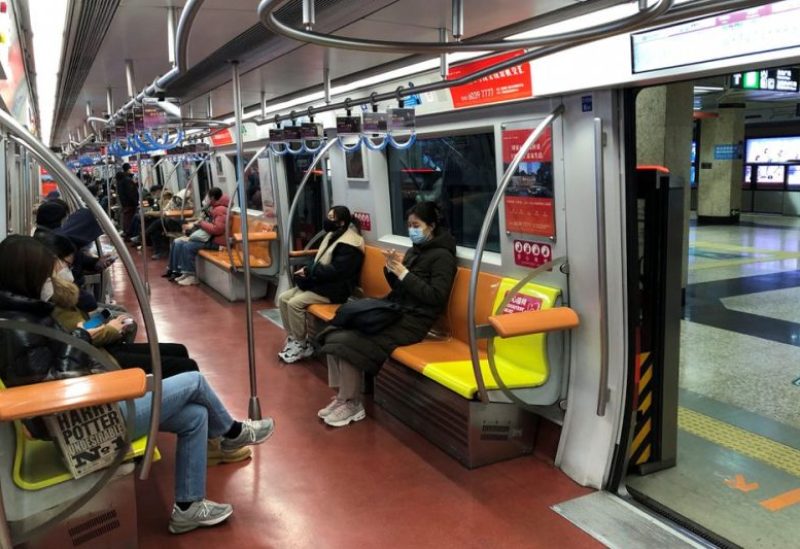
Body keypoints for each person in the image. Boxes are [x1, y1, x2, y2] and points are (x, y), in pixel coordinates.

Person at [0, 235, 275, 534]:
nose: (52, 281)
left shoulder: (27, 315)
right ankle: (233, 432)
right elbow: (56, 386)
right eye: (46, 275)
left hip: (84, 410)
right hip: (80, 427)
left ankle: (188, 507)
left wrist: (79, 341)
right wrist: (79, 339)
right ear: (26, 276)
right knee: (193, 381)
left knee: (195, 417)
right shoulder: (18, 329)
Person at [316, 202, 457, 427]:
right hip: (395, 310)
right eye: (409, 225)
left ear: (431, 226)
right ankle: (343, 396)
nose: (412, 230)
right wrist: (393, 270)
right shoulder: (415, 250)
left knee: (348, 342)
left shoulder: (443, 257)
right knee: (335, 330)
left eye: (416, 225)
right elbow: (402, 288)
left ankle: (353, 404)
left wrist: (405, 274)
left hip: (414, 321)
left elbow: (435, 297)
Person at [278, 206, 365, 363]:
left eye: (331, 217)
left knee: (294, 303)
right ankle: (294, 338)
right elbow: (319, 260)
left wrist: (311, 271)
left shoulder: (350, 244)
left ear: (341, 222)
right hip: (322, 283)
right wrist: (307, 269)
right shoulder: (333, 235)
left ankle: (302, 344)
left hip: (335, 289)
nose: (327, 220)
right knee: (283, 298)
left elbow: (337, 271)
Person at [165, 187, 229, 287]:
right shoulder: (214, 209)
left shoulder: (220, 210)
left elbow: (218, 229)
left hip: (217, 241)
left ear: (212, 198)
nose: (206, 199)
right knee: (179, 242)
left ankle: (192, 276)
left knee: (188, 246)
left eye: (207, 196)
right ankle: (183, 272)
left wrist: (201, 224)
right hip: (209, 238)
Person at [55, 208, 116, 313]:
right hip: (74, 308)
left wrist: (96, 262)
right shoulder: (63, 250)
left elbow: (83, 260)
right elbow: (73, 295)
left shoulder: (71, 245)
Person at [116, 164, 139, 238]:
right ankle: (129, 234)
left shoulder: (121, 180)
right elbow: (131, 192)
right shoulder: (127, 180)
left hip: (125, 202)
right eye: (131, 168)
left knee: (127, 218)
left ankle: (127, 232)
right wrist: (136, 202)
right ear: (128, 169)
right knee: (130, 218)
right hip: (130, 203)